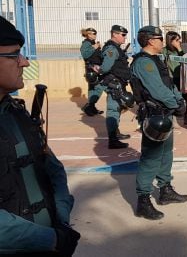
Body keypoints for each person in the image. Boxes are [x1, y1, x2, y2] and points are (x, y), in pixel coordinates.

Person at [0, 16, 81, 256]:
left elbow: (52, 168)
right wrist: (51, 238)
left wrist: (62, 220)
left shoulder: (15, 111)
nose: (24, 62)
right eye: (14, 56)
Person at [130, 26, 187, 221]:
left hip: (165, 113)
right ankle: (143, 200)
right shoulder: (143, 63)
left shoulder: (156, 59)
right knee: (151, 158)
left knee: (166, 154)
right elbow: (156, 90)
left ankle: (165, 190)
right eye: (159, 38)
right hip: (154, 115)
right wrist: (175, 103)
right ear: (149, 41)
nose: (162, 41)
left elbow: (168, 84)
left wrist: (179, 100)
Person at [99, 25, 132, 149]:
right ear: (114, 34)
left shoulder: (116, 48)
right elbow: (106, 67)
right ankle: (112, 140)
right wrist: (99, 70)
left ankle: (115, 133)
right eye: (123, 35)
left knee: (118, 108)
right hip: (114, 84)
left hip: (119, 83)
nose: (125, 38)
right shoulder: (112, 49)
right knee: (113, 110)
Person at [161, 31, 187, 123]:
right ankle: (172, 117)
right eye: (176, 40)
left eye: (179, 39)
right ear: (170, 40)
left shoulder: (180, 50)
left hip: (181, 77)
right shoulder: (164, 50)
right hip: (170, 77)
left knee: (183, 97)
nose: (179, 41)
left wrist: (179, 48)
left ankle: (185, 116)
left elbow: (184, 60)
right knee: (172, 97)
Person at [80, 27, 104, 116]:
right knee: (97, 87)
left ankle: (91, 107)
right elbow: (85, 55)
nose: (95, 35)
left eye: (95, 33)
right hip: (91, 69)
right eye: (93, 33)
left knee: (93, 88)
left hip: (97, 68)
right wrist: (94, 48)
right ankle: (89, 107)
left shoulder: (93, 43)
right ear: (88, 34)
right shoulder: (86, 43)